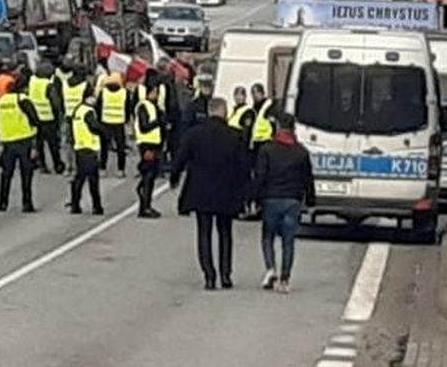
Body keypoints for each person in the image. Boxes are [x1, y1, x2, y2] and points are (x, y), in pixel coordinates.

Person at [169, 97, 250, 290]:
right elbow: (244, 167)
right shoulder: (235, 136)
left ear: (209, 111)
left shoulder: (194, 135)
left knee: (204, 233)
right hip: (227, 191)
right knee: (225, 233)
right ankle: (226, 274)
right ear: (224, 112)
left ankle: (209, 276)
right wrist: (246, 193)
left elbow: (180, 159)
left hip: (200, 190)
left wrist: (174, 178)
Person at [250, 112, 316, 294]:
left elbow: (260, 176)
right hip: (293, 200)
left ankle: (271, 268)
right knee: (288, 240)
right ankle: (285, 279)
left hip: (271, 198)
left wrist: (255, 198)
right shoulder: (301, 152)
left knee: (268, 236)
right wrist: (310, 201)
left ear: (278, 127)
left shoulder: (267, 150)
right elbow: (307, 179)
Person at [0, 69, 43, 212]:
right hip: (24, 139)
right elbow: (35, 119)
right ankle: (27, 203)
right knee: (26, 174)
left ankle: (2, 202)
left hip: (7, 141)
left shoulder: (1, 102)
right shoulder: (22, 100)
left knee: (6, 174)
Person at [134, 70, 167, 219]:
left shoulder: (154, 107)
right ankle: (144, 206)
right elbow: (144, 126)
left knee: (152, 175)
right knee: (148, 176)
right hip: (147, 144)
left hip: (155, 144)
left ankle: (147, 203)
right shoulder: (143, 106)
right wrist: (157, 122)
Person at [28, 60, 67, 175]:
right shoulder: (48, 85)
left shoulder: (32, 81)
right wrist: (59, 112)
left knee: (39, 143)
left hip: (35, 116)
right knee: (53, 144)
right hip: (48, 117)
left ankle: (42, 165)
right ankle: (57, 164)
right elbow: (55, 101)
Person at [69, 96, 106, 215]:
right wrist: (104, 132)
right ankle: (96, 206)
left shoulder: (78, 110)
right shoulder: (89, 112)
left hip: (80, 146)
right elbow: (94, 126)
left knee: (80, 177)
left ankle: (75, 204)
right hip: (89, 147)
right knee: (92, 179)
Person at [97, 72, 130, 177]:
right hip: (119, 123)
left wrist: (99, 120)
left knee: (104, 148)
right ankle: (121, 170)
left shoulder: (103, 92)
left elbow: (98, 107)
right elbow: (128, 108)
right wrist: (126, 119)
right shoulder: (125, 93)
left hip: (105, 122)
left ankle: (102, 168)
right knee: (120, 148)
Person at [248, 83, 276, 149]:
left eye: (258, 92)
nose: (255, 95)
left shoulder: (269, 105)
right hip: (256, 141)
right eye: (253, 93)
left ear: (262, 93)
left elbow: (274, 123)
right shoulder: (253, 108)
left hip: (267, 140)